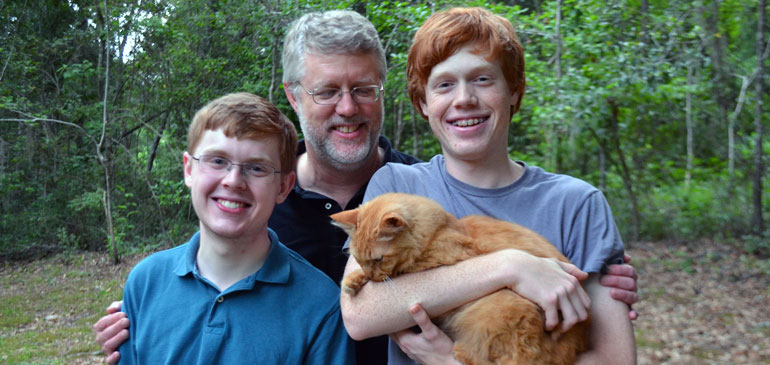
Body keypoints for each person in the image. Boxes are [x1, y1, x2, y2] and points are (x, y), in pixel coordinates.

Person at [93, 9, 638, 364]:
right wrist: (151, 317)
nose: (348, 108)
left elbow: (613, 355)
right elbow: (357, 313)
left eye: (364, 89)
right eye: (327, 91)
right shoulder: (260, 202)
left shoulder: (399, 188)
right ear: (294, 95)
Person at [339, 7, 636, 365]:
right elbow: (361, 315)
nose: (464, 99)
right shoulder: (398, 187)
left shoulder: (576, 204)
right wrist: (510, 266)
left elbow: (616, 358)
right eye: (444, 84)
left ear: (514, 91)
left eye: (483, 79)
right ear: (423, 103)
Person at [116, 92, 353, 363]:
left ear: (284, 187)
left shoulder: (321, 306)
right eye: (217, 161)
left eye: (256, 168)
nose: (233, 181)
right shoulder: (145, 282)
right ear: (188, 169)